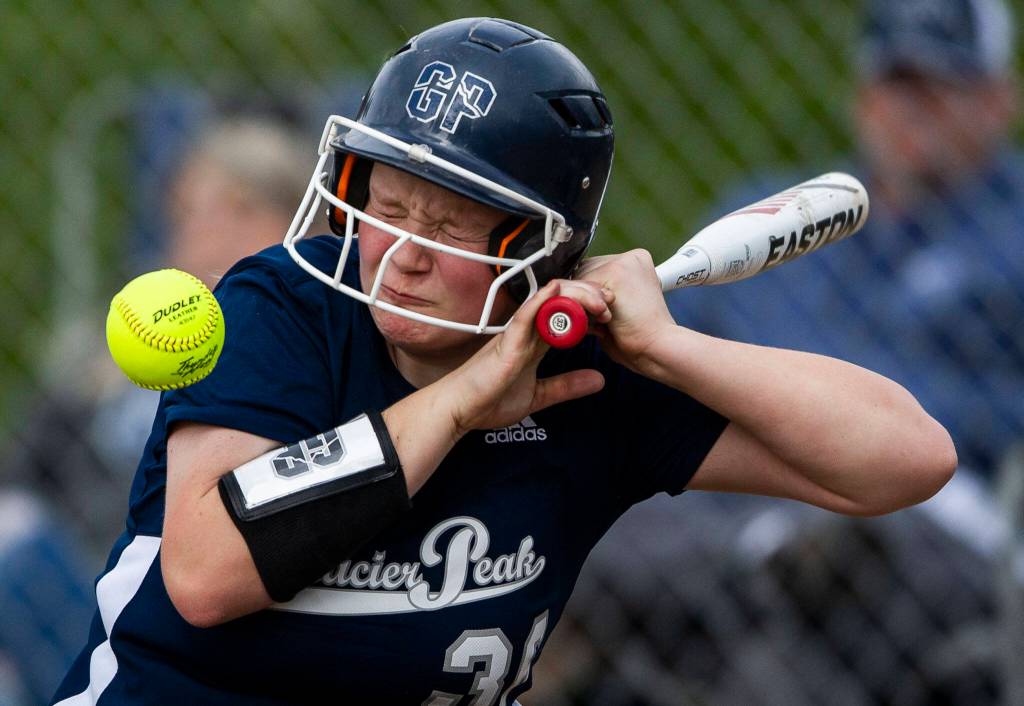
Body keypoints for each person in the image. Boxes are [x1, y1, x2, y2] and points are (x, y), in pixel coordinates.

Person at [52, 17, 955, 705]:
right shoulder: (286, 306)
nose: (401, 251)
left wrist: (671, 347)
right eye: (387, 205)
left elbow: (907, 458)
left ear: (538, 249)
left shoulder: (591, 374)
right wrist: (460, 403)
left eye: (446, 226)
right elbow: (208, 574)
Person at [540, 0, 1022, 702]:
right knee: (585, 500)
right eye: (897, 84)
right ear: (863, 96)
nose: (913, 110)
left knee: (857, 558)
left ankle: (772, 564)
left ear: (997, 100)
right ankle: (766, 557)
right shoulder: (773, 213)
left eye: (939, 86)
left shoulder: (1012, 236)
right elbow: (654, 370)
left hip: (927, 511)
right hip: (740, 495)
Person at [0, 114, 315, 706]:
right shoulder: (122, 344)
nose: (200, 233)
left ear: (290, 219)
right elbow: (22, 470)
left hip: (196, 607)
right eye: (188, 211)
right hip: (85, 575)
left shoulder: (310, 343)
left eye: (234, 209)